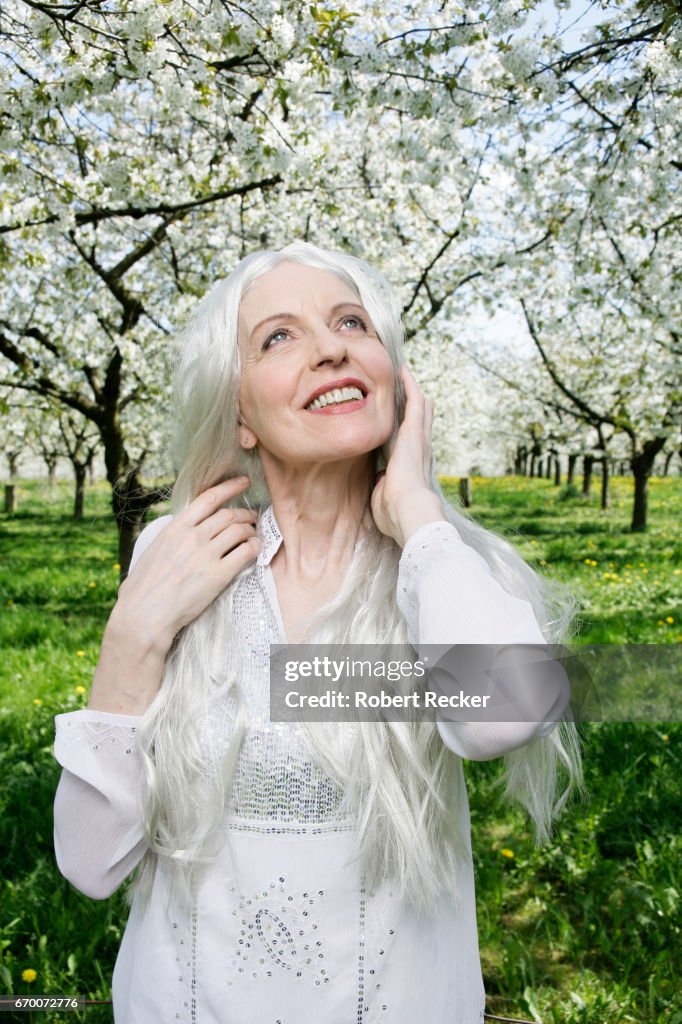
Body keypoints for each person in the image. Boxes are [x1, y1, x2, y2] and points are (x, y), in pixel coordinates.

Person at [53, 241, 581, 1024]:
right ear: (239, 413)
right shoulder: (181, 559)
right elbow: (92, 865)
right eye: (279, 336)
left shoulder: (444, 571)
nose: (331, 346)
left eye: (350, 323)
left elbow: (505, 711)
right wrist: (133, 638)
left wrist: (416, 512)